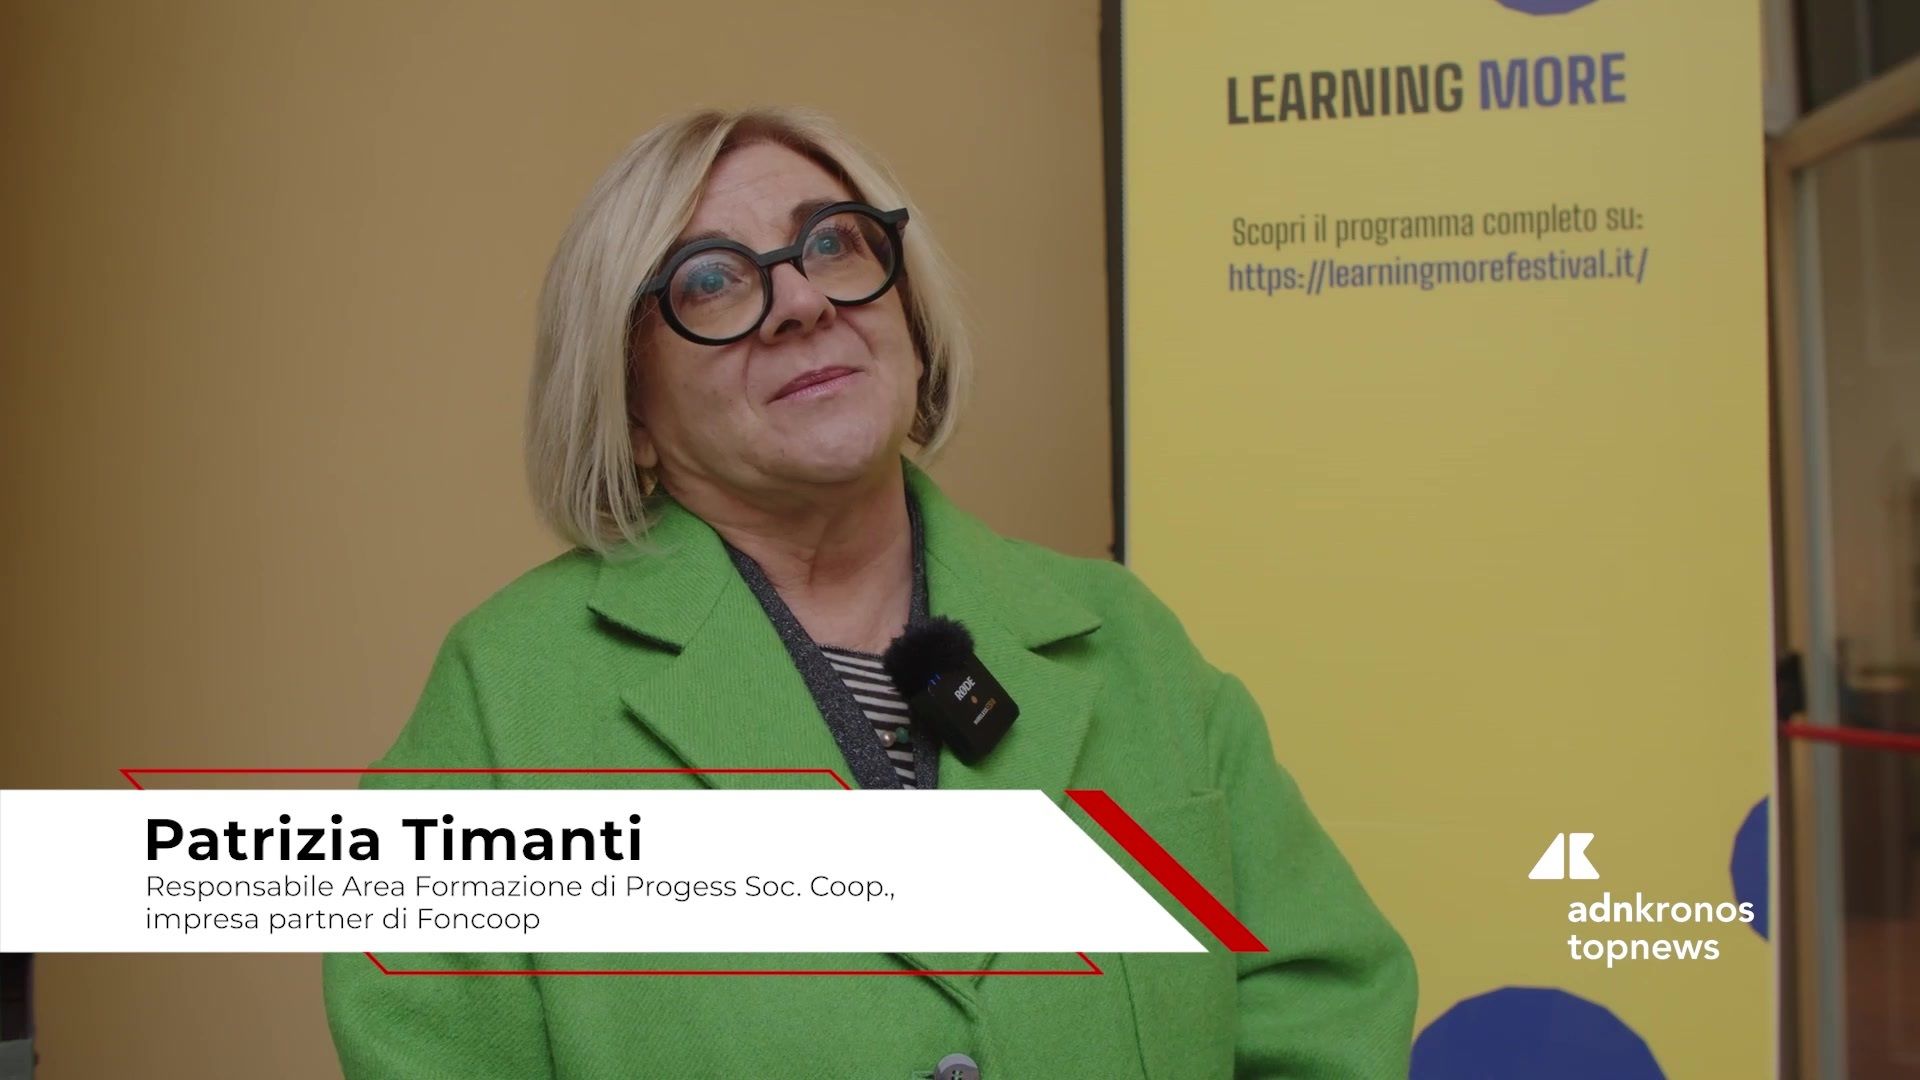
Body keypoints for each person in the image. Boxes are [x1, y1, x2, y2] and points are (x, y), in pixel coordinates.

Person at [322, 105, 1416, 1078]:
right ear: (629, 405)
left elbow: (1326, 1017)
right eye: (711, 280)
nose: (801, 300)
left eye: (834, 243)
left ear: (911, 312)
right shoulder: (504, 696)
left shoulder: (1125, 639)